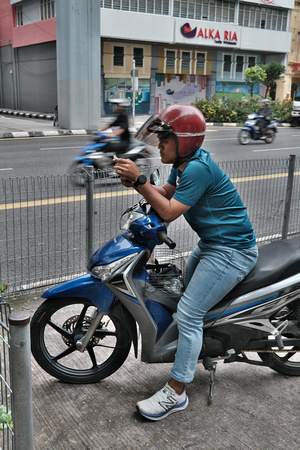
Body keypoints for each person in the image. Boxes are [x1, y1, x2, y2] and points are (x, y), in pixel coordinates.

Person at [114, 103, 258, 421]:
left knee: (190, 313)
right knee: (184, 296)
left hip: (231, 252)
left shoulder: (196, 169)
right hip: (212, 245)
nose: (160, 144)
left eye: (165, 139)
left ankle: (176, 392)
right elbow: (163, 194)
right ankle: (198, 347)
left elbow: (167, 211)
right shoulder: (184, 166)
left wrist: (140, 181)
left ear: (185, 141)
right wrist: (137, 184)